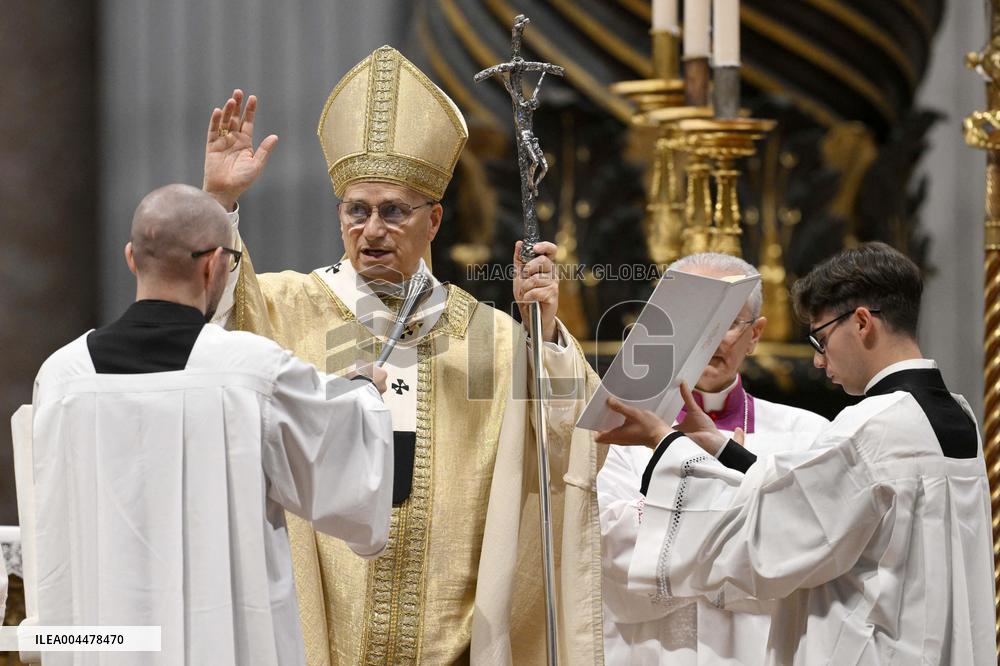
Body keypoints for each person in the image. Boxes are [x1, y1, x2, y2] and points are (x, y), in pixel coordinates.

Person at [201, 47, 604, 664]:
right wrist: (221, 204)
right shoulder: (289, 307)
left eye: (393, 211)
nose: (372, 230)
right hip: (324, 630)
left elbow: (567, 435)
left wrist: (544, 330)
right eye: (356, 211)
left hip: (455, 637)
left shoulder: (490, 335)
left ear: (435, 219)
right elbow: (216, 326)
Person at [30, 184, 395, 665]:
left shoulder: (61, 376)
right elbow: (343, 464)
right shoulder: (250, 373)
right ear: (216, 265)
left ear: (131, 259)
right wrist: (364, 390)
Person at [597, 242, 997, 664]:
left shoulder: (871, 427)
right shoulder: (954, 414)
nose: (820, 362)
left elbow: (766, 541)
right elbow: (806, 499)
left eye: (821, 339)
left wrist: (666, 443)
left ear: (862, 323)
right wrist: (720, 449)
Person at [597, 252, 828, 665]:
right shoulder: (616, 435)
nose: (709, 337)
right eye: (693, 322)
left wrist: (680, 516)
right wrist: (737, 512)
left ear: (755, 334)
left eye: (727, 322)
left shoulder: (809, 436)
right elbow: (613, 552)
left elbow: (802, 558)